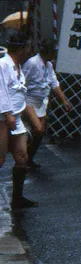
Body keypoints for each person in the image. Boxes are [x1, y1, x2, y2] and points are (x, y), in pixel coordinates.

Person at [0, 34, 38, 210]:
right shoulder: (3, 64)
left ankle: (17, 198)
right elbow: (0, 90)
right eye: (28, 47)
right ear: (21, 49)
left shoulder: (18, 66)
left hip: (16, 117)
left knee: (22, 157)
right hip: (3, 117)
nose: (29, 51)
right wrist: (7, 114)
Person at [22, 38, 72, 168]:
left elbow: (54, 84)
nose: (55, 55)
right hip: (29, 100)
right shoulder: (32, 63)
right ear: (47, 52)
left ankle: (28, 159)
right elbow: (22, 82)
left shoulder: (49, 65)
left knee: (39, 133)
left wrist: (64, 101)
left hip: (41, 102)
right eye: (53, 52)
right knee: (38, 129)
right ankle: (22, 156)